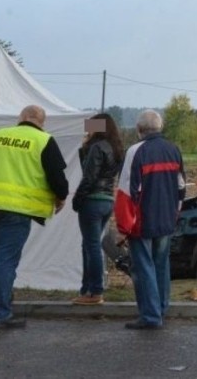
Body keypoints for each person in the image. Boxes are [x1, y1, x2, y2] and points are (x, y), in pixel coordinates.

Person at [0, 104, 69, 330]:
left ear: (21, 117)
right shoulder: (43, 140)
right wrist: (60, 197)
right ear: (41, 122)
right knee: (6, 261)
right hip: (17, 210)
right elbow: (57, 177)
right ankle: (0, 314)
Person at [114, 109, 185, 330]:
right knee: (161, 265)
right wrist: (175, 214)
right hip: (166, 219)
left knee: (144, 268)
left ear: (139, 129)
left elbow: (126, 192)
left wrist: (124, 227)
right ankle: (161, 308)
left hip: (142, 221)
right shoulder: (174, 150)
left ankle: (150, 316)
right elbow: (181, 187)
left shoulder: (135, 151)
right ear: (160, 127)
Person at [71, 112, 124, 305]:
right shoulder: (116, 149)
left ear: (98, 128)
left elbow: (88, 176)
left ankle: (95, 291)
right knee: (89, 245)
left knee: (91, 246)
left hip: (92, 201)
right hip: (108, 200)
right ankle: (86, 290)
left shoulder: (96, 148)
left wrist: (77, 199)